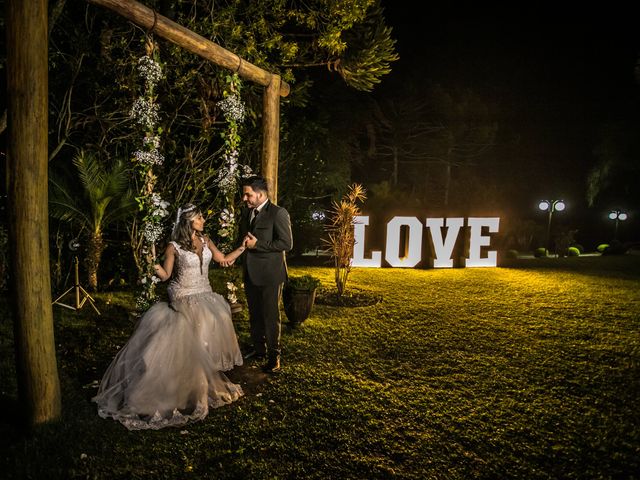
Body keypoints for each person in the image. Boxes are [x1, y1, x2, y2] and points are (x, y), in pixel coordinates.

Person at [92, 204, 247, 430]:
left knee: (213, 323)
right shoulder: (173, 247)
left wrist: (243, 247)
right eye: (200, 217)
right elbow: (165, 276)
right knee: (198, 326)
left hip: (205, 293)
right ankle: (183, 387)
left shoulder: (206, 240)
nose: (203, 219)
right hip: (182, 295)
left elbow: (223, 259)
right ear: (188, 221)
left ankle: (197, 385)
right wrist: (151, 264)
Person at [239, 176, 293, 373]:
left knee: (271, 316)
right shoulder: (247, 213)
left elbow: (286, 244)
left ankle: (274, 357)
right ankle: (259, 349)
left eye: (248, 194)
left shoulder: (278, 213)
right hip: (251, 272)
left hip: (271, 274)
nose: (245, 198)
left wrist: (257, 245)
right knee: (255, 314)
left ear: (260, 194)